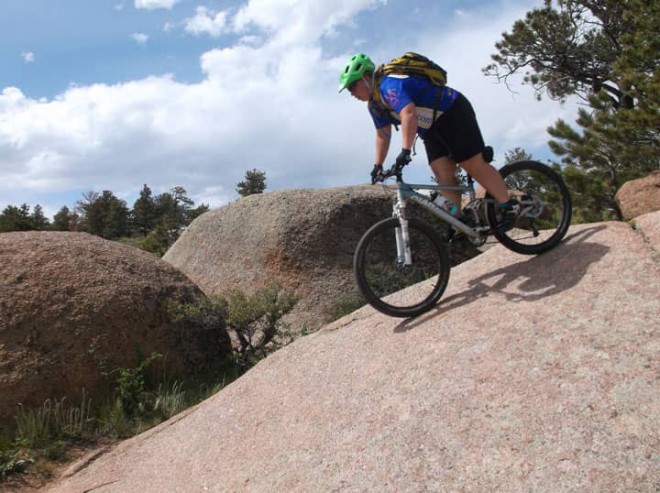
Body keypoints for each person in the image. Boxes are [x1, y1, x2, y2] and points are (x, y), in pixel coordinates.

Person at [338, 53, 518, 231]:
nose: (352, 93)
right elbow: (382, 135)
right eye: (348, 89)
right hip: (431, 128)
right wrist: (378, 165)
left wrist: (405, 151)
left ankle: (508, 205)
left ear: (367, 78)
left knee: (470, 162)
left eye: (353, 86)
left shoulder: (388, 86)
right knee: (442, 174)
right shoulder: (374, 105)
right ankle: (459, 223)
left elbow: (408, 113)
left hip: (452, 111)